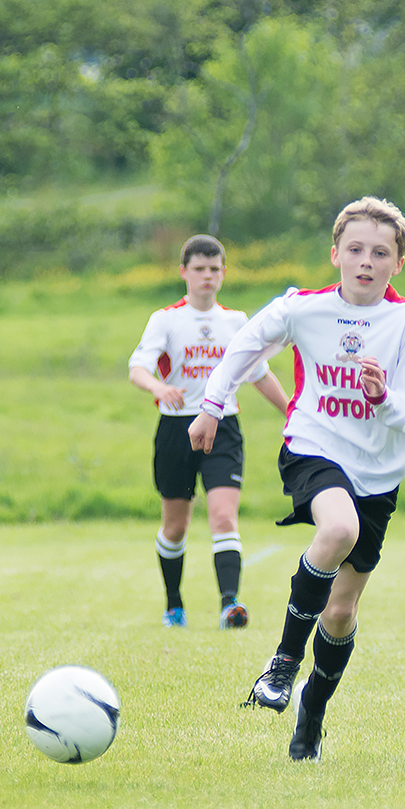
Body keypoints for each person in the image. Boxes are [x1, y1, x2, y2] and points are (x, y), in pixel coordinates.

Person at [188, 197, 405, 760]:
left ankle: (311, 715)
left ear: (398, 263)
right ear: (335, 254)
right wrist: (211, 405)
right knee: (338, 529)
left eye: (380, 252)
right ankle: (282, 662)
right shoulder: (302, 309)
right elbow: (243, 346)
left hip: (379, 475)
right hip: (313, 449)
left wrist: (384, 399)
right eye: (355, 249)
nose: (366, 261)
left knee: (343, 611)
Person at [129, 234, 289, 630]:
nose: (207, 276)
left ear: (223, 274)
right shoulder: (165, 319)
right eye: (199, 269)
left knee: (222, 517)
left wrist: (293, 413)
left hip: (223, 427)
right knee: (176, 526)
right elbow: (138, 369)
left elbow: (259, 375)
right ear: (183, 272)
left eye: (214, 269)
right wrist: (158, 387)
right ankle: (174, 605)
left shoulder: (236, 322)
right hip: (176, 429)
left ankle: (229, 605)